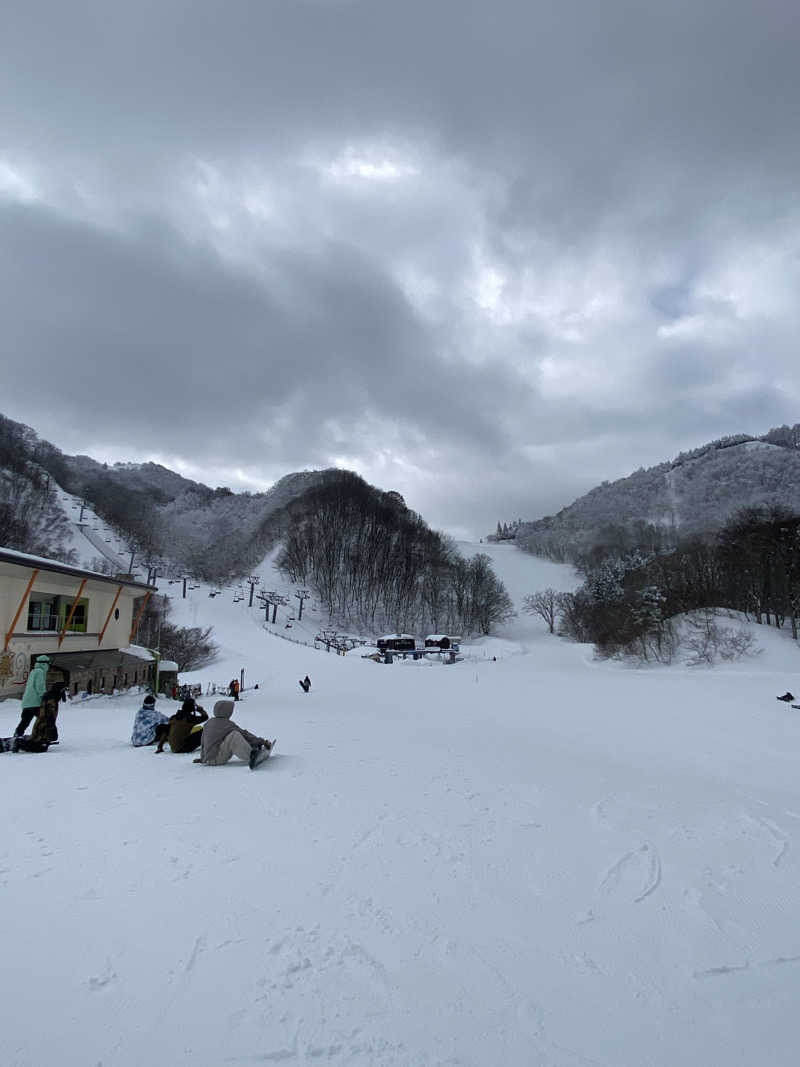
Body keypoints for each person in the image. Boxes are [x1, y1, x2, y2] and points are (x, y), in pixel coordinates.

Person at [197, 699, 272, 769]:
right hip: (216, 759)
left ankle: (253, 749)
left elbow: (203, 742)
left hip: (208, 759)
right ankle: (252, 756)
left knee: (231, 736)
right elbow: (244, 735)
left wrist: (203, 758)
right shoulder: (227, 724)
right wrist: (262, 741)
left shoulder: (208, 722)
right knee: (234, 736)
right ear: (226, 712)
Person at [14, 654, 51, 737]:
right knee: (44, 720)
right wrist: (45, 696)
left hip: (27, 702)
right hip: (35, 703)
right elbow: (40, 687)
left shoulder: (33, 671)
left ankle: (17, 735)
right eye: (48, 664)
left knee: (25, 722)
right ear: (45, 664)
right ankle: (41, 735)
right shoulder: (40, 672)